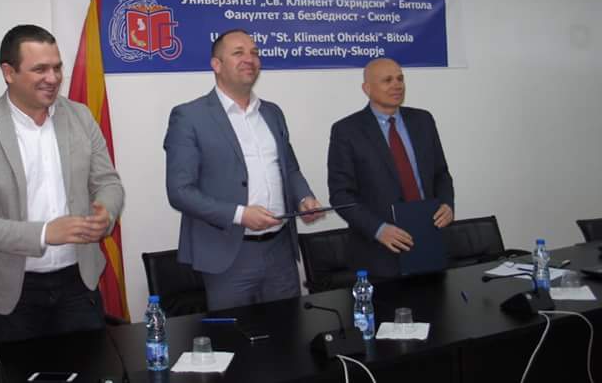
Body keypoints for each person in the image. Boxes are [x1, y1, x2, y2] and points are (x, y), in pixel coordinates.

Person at [0, 24, 124, 342]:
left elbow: (108, 182)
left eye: (57, 67)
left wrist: (106, 212)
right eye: (40, 69)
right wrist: (44, 233)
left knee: (90, 365)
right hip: (11, 292)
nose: (53, 78)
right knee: (22, 369)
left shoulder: (81, 117)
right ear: (9, 72)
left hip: (78, 282)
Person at [164, 29, 322, 310]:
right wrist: (240, 215)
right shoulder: (189, 116)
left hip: (280, 251)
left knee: (288, 330)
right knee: (234, 334)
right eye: (238, 53)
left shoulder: (272, 112)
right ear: (216, 64)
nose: (250, 59)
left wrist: (304, 197)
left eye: (254, 52)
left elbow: (289, 168)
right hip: (228, 254)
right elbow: (180, 192)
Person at [327, 57, 454, 277]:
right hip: (378, 251)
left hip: (428, 238)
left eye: (400, 79)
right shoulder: (347, 131)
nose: (397, 85)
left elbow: (441, 173)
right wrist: (378, 229)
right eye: (387, 80)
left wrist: (447, 204)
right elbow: (341, 195)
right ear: (367, 88)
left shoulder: (423, 120)